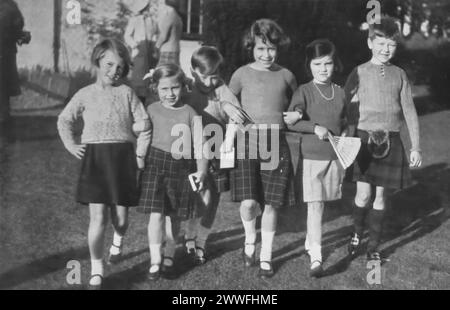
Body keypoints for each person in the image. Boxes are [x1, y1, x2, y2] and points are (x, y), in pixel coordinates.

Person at [57, 39, 151, 289]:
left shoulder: (127, 92)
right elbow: (64, 120)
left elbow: (144, 122)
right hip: (95, 160)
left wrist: (140, 153)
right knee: (97, 217)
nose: (114, 71)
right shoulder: (85, 94)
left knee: (120, 218)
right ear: (98, 61)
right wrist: (71, 144)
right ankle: (97, 267)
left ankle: (118, 241)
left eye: (120, 67)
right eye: (109, 64)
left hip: (122, 159)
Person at [344, 16, 422, 262]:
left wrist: (416, 147)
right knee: (363, 195)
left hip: (392, 140)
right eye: (381, 43)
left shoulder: (400, 74)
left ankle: (374, 247)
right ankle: (357, 233)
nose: (386, 49)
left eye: (391, 44)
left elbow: (410, 111)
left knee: (380, 197)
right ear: (370, 43)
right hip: (365, 141)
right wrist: (346, 135)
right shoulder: (357, 72)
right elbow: (346, 106)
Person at [228, 19, 298, 278]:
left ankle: (266, 255)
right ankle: (249, 241)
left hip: (275, 144)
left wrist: (297, 112)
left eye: (271, 49)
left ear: (278, 48)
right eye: (260, 49)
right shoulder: (241, 74)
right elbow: (226, 100)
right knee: (248, 203)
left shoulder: (286, 75)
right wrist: (230, 116)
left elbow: (298, 101)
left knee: (271, 204)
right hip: (247, 144)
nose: (266, 54)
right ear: (251, 47)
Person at [137, 64, 208, 281]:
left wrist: (202, 171)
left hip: (180, 168)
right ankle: (155, 260)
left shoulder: (190, 113)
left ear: (183, 87)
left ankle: (169, 254)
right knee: (156, 215)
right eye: (164, 89)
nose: (170, 94)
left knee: (174, 216)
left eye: (175, 88)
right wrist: (139, 158)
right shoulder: (150, 109)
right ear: (155, 88)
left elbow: (201, 144)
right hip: (155, 166)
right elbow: (142, 136)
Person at [285, 39, 347, 277]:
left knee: (323, 203)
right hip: (311, 157)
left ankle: (311, 242)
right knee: (316, 205)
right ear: (309, 65)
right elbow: (292, 120)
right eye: (317, 64)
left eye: (328, 63)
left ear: (334, 64)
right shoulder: (304, 91)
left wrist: (344, 136)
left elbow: (345, 122)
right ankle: (317, 257)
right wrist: (315, 127)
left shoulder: (340, 92)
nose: (323, 69)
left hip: (334, 157)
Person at [182, 46, 246, 265]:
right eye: (204, 77)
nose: (209, 82)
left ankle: (201, 240)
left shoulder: (222, 90)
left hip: (219, 152)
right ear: (193, 71)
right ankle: (189, 235)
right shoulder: (187, 89)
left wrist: (229, 137)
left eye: (214, 77)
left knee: (212, 199)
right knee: (194, 196)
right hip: (192, 152)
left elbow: (238, 118)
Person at [0, 0, 30, 134]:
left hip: (5, 53)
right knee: (3, 88)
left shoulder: (9, 6)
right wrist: (20, 35)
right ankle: (3, 119)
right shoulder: (10, 6)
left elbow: (17, 26)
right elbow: (18, 26)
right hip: (5, 52)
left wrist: (20, 36)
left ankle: (4, 119)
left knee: (3, 87)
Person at [124, 0, 158, 103]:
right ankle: (134, 103)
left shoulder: (151, 21)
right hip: (138, 54)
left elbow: (154, 35)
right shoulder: (134, 20)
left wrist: (154, 47)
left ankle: (143, 103)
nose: (148, 9)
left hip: (149, 54)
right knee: (137, 80)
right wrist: (134, 45)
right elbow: (127, 35)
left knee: (146, 81)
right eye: (147, 8)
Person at [155, 0, 183, 66]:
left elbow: (163, 36)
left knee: (162, 72)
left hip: (167, 50)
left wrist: (156, 47)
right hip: (175, 49)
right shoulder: (178, 17)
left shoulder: (169, 16)